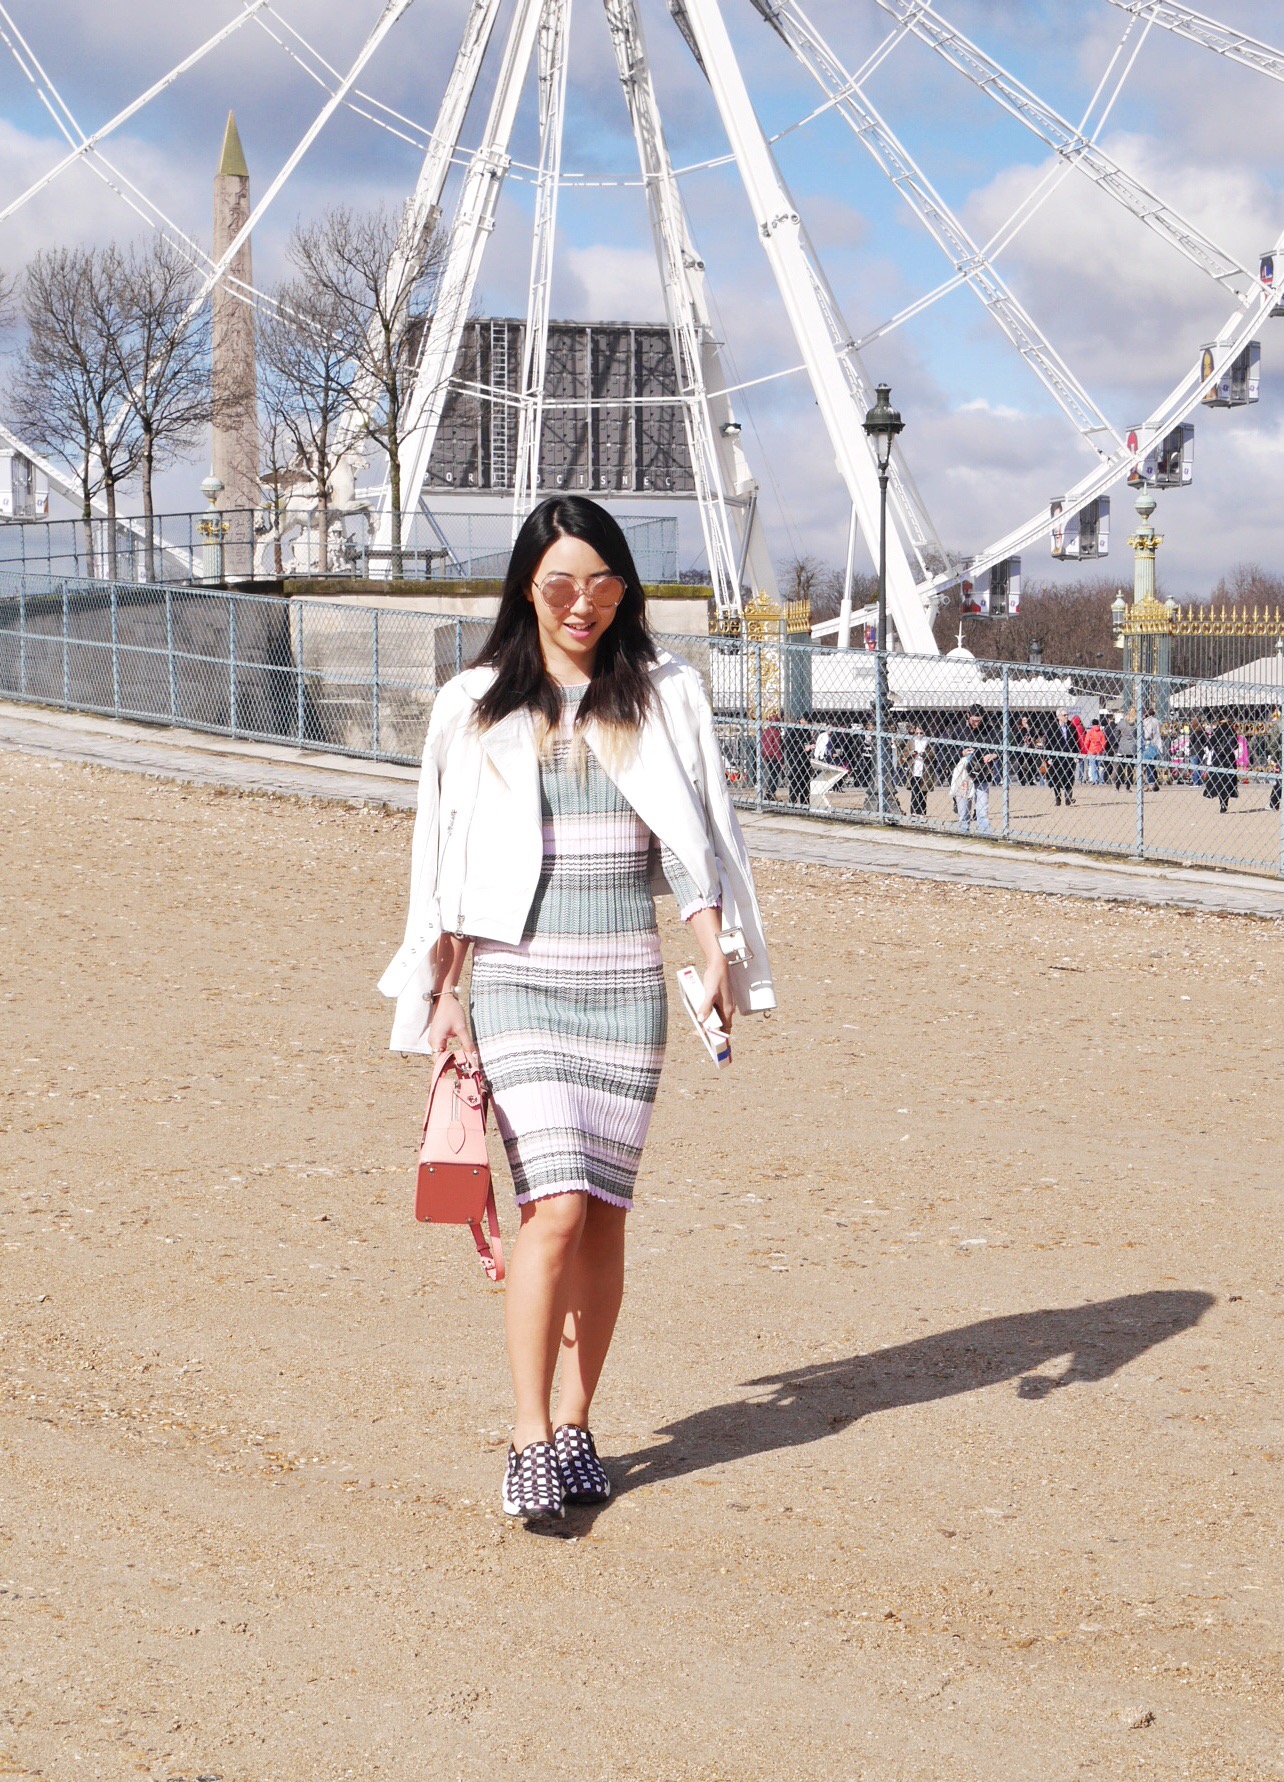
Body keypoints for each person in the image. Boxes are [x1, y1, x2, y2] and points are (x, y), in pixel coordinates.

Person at [379, 496, 775, 1526]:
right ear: (527, 587)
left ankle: (574, 1422)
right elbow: (446, 864)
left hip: (625, 984)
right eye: (561, 583)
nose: (582, 604)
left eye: (603, 583)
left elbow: (694, 839)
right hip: (518, 979)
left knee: (604, 1211)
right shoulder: (473, 703)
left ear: (624, 591)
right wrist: (446, 992)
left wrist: (715, 955)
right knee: (551, 1207)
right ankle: (525, 1433)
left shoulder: (662, 692)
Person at [951, 705, 998, 834]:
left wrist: (993, 755)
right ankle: (963, 831)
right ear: (968, 717)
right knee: (964, 811)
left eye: (979, 721)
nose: (976, 724)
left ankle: (984, 833)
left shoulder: (989, 729)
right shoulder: (958, 729)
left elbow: (1001, 747)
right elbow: (946, 751)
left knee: (982, 810)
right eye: (973, 721)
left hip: (982, 773)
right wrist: (961, 753)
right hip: (964, 774)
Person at [1203, 709, 1238, 814]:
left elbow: (1210, 745)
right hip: (1229, 758)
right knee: (1228, 781)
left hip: (1219, 758)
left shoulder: (1218, 730)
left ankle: (1221, 801)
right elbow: (1236, 746)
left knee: (1219, 781)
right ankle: (1225, 802)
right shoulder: (1231, 731)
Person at [1045, 708, 1078, 807]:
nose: (1066, 716)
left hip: (1069, 757)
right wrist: (1048, 758)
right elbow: (1048, 744)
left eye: (1067, 715)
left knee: (1069, 778)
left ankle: (1068, 798)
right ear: (1058, 717)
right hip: (1056, 758)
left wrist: (1076, 755)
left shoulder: (1071, 728)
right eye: (1064, 715)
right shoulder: (1052, 729)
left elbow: (1075, 743)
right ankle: (1058, 798)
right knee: (1056, 779)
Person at [904, 721, 930, 818]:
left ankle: (922, 811)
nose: (918, 735)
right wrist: (911, 753)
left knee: (923, 791)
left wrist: (924, 754)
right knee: (914, 791)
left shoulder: (928, 742)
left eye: (921, 733)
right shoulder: (912, 741)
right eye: (917, 733)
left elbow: (933, 754)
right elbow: (905, 752)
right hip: (914, 769)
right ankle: (913, 811)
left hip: (924, 770)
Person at [760, 717, 784, 800]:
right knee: (774, 775)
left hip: (767, 755)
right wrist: (781, 760)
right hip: (774, 756)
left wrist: (764, 756)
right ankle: (770, 794)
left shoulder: (767, 731)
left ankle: (769, 793)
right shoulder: (776, 732)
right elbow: (777, 748)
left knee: (772, 774)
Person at [1141, 705, 1164, 790]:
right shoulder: (1156, 721)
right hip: (1156, 743)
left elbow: (1148, 734)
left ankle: (1151, 782)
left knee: (1148, 764)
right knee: (1152, 763)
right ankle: (1154, 781)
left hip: (1149, 743)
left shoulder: (1147, 721)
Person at [1083, 716, 1107, 784]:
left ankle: (1095, 779)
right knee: (1100, 765)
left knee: (1093, 765)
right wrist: (1102, 749)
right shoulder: (1101, 732)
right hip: (1099, 751)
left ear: (1092, 724)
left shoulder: (1090, 732)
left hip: (1091, 750)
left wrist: (1087, 749)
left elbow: (1087, 742)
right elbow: (1104, 742)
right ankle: (1101, 779)